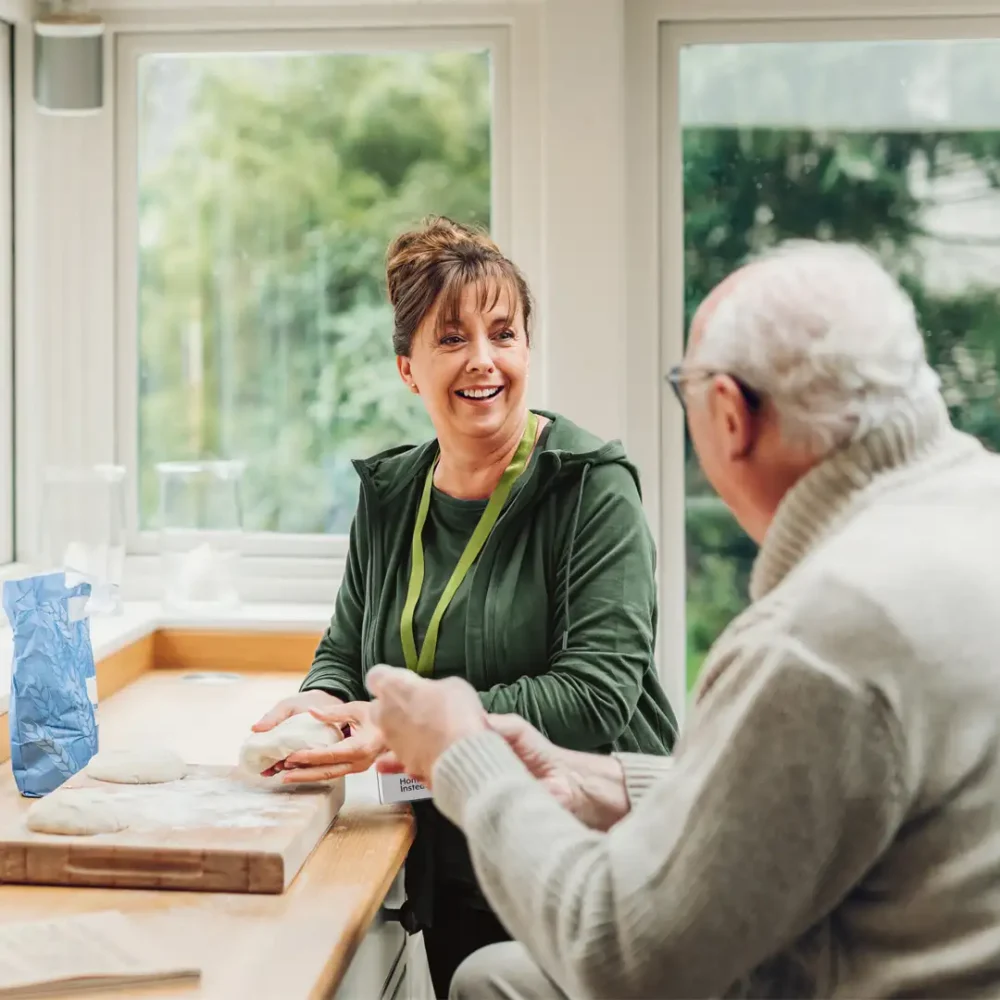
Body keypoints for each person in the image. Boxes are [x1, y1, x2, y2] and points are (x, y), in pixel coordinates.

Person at [365, 240, 1000, 999]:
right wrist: (608, 780)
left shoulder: (819, 637)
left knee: (485, 984)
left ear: (728, 414)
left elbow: (623, 953)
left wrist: (467, 759)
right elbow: (804, 792)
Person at [251, 217, 678, 998]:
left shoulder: (590, 486)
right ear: (409, 368)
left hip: (587, 857)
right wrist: (319, 706)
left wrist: (409, 733)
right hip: (449, 859)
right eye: (452, 338)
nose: (484, 360)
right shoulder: (391, 494)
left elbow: (593, 700)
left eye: (503, 333)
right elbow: (348, 649)